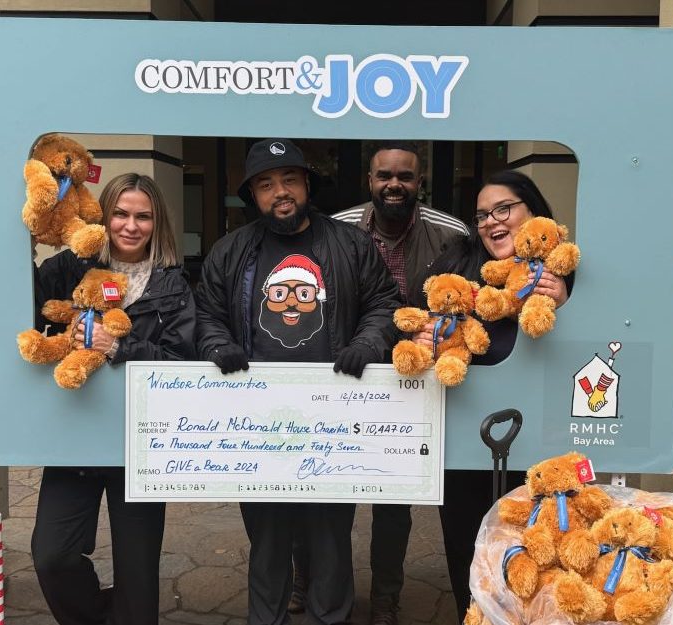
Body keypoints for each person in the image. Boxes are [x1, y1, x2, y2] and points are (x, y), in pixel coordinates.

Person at [194, 138, 401, 625]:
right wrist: (215, 345)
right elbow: (207, 312)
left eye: (289, 180)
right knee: (267, 537)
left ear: (307, 184)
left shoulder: (351, 244)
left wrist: (370, 344)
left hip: (335, 419)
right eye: (266, 184)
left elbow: (384, 303)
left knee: (330, 534)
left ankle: (332, 616)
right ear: (254, 196)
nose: (279, 192)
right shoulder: (232, 251)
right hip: (257, 421)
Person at [286, 142, 465, 625]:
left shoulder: (451, 234)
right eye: (384, 175)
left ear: (419, 182)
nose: (394, 185)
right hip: (344, 372)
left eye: (405, 176)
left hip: (413, 382)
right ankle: (307, 581)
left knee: (393, 500)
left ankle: (386, 596)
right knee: (318, 486)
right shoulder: (335, 227)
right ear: (369, 180)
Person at [30, 173, 196, 625]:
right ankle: (99, 613)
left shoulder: (174, 286)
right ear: (104, 216)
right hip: (75, 434)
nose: (131, 225)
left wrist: (121, 348)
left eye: (143, 216)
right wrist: (29, 234)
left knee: (139, 577)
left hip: (139, 443)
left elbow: (183, 362)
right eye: (121, 213)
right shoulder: (67, 268)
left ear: (156, 223)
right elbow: (25, 308)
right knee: (52, 556)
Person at [417, 170, 571, 622]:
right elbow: (419, 321)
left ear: (534, 211)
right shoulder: (458, 265)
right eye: (483, 214)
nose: (491, 222)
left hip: (537, 445)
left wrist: (564, 296)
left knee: (533, 559)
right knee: (467, 552)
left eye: (504, 208)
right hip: (465, 444)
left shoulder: (562, 271)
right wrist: (427, 335)